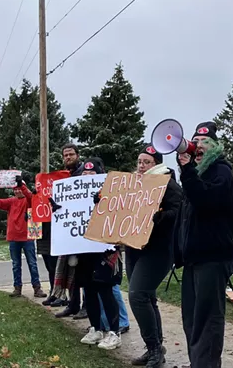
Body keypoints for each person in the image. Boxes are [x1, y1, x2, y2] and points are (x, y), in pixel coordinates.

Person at [175, 121, 233, 368]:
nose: (198, 146)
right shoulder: (196, 175)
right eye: (195, 141)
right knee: (191, 320)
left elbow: (204, 200)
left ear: (215, 147)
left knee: (208, 321)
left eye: (204, 142)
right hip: (194, 259)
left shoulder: (221, 172)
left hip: (212, 258)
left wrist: (188, 171)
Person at [120, 144, 182, 367]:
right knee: (147, 297)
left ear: (156, 164)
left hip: (158, 250)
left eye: (146, 162)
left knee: (137, 295)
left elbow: (178, 211)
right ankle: (155, 347)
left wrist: (160, 217)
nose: (141, 166)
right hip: (135, 247)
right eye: (139, 161)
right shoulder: (132, 184)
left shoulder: (168, 184)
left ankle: (155, 349)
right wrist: (103, 202)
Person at [76, 158, 123, 350]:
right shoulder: (77, 193)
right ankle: (95, 328)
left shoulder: (111, 191)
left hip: (104, 250)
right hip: (85, 248)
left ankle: (114, 332)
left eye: (91, 174)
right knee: (89, 290)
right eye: (84, 174)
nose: (87, 177)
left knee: (105, 289)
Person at [0, 174, 47, 298]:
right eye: (15, 189)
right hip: (14, 238)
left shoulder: (29, 200)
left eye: (19, 189)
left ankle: (37, 288)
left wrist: (21, 185)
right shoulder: (11, 201)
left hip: (27, 237)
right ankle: (17, 288)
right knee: (16, 265)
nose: (17, 191)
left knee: (32, 263)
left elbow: (29, 196)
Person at [41, 143, 81, 306]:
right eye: (65, 155)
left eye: (71, 154)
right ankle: (66, 299)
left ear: (77, 155)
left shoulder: (81, 174)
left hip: (77, 229)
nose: (68, 157)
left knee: (77, 269)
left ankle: (79, 304)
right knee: (62, 266)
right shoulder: (62, 177)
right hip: (62, 228)